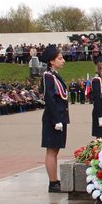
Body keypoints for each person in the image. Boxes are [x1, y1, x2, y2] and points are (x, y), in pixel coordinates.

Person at [40, 45, 68, 193]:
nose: (63, 60)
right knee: (51, 151)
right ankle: (53, 182)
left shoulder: (55, 75)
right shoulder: (48, 76)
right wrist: (56, 119)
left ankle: (55, 180)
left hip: (59, 117)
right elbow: (49, 98)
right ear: (51, 61)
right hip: (53, 118)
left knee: (55, 150)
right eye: (60, 58)